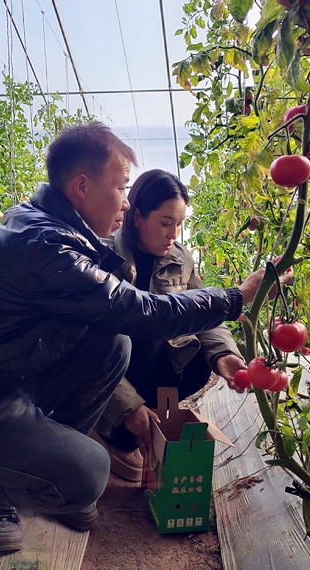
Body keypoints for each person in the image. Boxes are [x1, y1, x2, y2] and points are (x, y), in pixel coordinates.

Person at [0, 122, 283, 554]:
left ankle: (40, 468)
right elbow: (139, 309)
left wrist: (223, 351)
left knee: (113, 346)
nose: (126, 199)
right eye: (121, 186)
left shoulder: (53, 231)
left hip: (2, 379)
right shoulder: (45, 246)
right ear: (82, 187)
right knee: (90, 471)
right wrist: (238, 296)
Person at [90, 169, 246, 482]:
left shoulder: (180, 259)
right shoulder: (102, 258)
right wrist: (128, 406)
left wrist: (224, 354)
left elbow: (202, 311)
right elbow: (88, 347)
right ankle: (112, 426)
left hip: (147, 367)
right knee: (147, 332)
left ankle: (142, 424)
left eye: (179, 223)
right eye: (165, 223)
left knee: (196, 358)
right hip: (107, 367)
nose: (173, 233)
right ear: (137, 216)